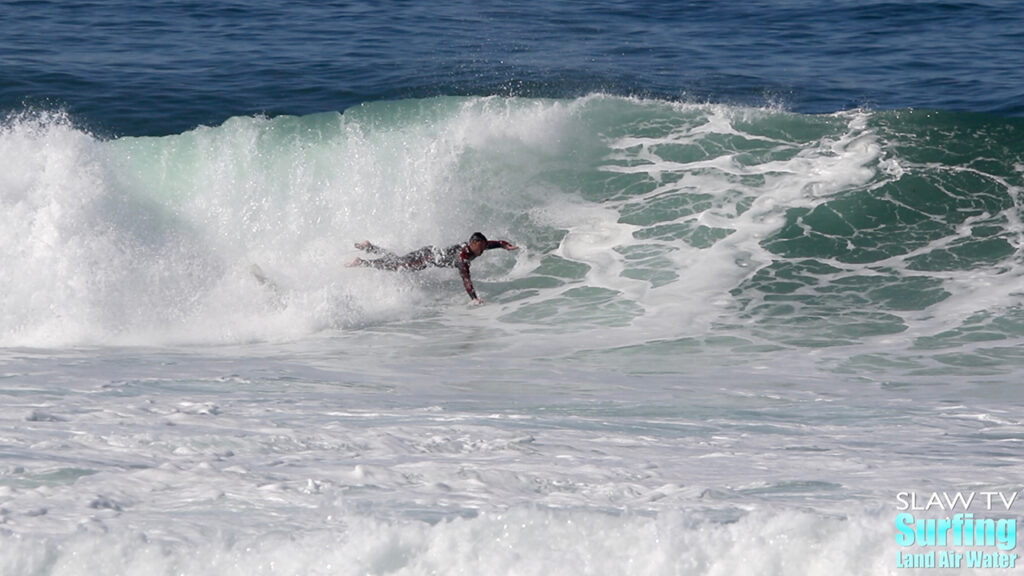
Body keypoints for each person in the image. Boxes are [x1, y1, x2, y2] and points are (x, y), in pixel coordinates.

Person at [346, 232, 518, 304]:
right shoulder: (463, 257)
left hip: (429, 254)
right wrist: (474, 298)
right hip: (425, 258)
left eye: (483, 247)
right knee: (397, 266)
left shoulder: (480, 246)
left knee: (397, 261)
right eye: (480, 247)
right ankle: (362, 261)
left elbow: (496, 243)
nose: (482, 250)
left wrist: (506, 246)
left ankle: (370, 247)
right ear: (473, 244)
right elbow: (466, 279)